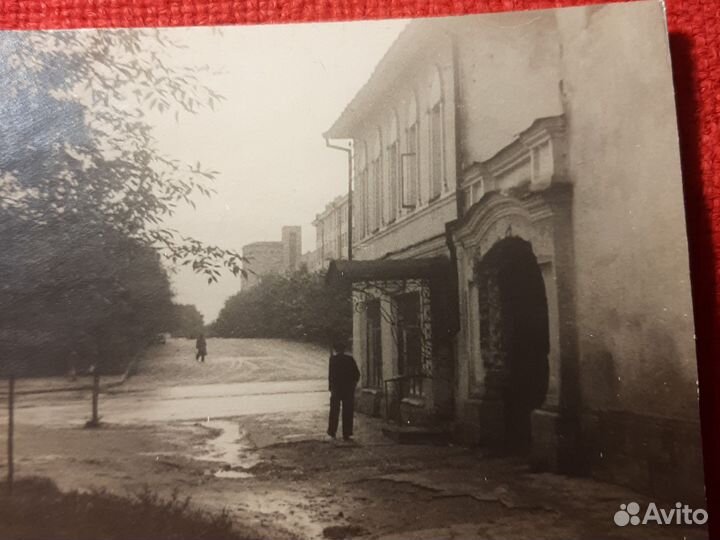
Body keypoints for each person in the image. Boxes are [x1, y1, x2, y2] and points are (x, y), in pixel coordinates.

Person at [327, 340, 360, 441]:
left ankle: (332, 432)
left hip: (336, 389)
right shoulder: (349, 359)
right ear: (344, 349)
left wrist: (331, 387)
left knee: (334, 411)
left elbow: (331, 376)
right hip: (348, 389)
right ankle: (347, 433)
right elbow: (357, 374)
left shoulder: (333, 360)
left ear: (336, 350)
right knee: (348, 411)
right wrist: (353, 385)